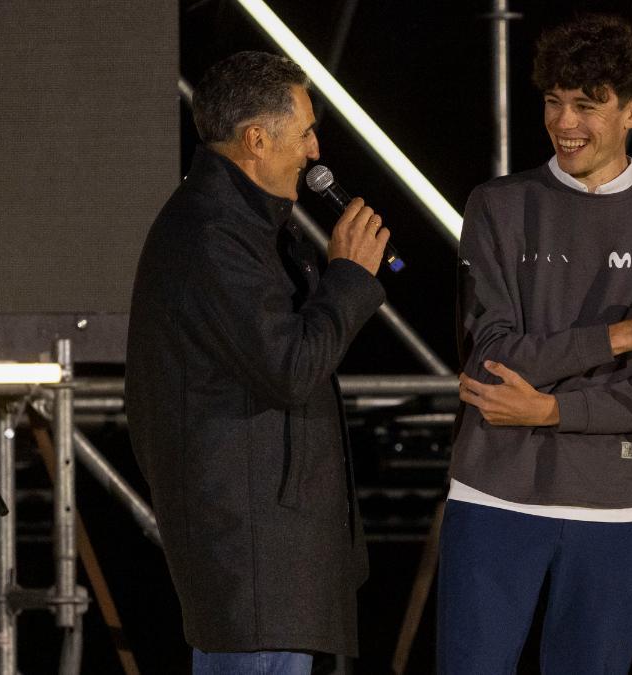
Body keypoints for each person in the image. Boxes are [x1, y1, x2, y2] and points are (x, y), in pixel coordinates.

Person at [439, 14, 632, 675]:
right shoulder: (498, 205)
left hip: (614, 508)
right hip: (494, 498)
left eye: (587, 105)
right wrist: (622, 336)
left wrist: (553, 410)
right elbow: (492, 358)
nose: (565, 122)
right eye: (554, 101)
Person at [126, 51, 389, 675]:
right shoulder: (213, 233)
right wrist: (348, 277)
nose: (315, 152)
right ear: (256, 140)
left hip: (266, 545)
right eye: (305, 133)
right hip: (250, 546)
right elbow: (290, 367)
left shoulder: (240, 224)